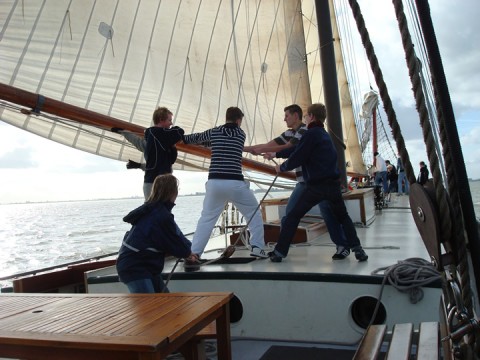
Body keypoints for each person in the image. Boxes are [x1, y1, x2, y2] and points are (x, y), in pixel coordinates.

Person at [246, 104, 350, 260]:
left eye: (287, 115)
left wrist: (272, 155)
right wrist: (245, 148)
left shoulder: (306, 130)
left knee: (328, 213)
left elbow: (291, 148)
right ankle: (281, 249)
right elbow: (271, 144)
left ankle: (343, 246)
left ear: (296, 115)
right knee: (290, 214)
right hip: (304, 182)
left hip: (316, 182)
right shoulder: (289, 132)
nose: (284, 118)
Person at [268, 103, 368, 263]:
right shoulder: (324, 135)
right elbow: (298, 150)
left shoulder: (310, 134)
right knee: (343, 217)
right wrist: (277, 154)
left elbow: (298, 155)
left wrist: (282, 167)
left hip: (316, 187)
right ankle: (358, 250)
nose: (305, 118)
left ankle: (279, 252)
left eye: (307, 116)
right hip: (333, 186)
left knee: (293, 216)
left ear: (312, 117)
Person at [182, 107, 268, 262]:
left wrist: (177, 136)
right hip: (235, 183)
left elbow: (193, 139)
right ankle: (257, 247)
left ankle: (195, 253)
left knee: (207, 219)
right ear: (238, 120)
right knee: (253, 214)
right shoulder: (241, 134)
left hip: (215, 183)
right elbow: (226, 142)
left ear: (226, 117)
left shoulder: (214, 132)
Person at [116, 174, 197, 293]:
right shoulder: (161, 216)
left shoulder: (152, 210)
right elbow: (174, 239)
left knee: (164, 302)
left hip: (143, 265)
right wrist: (188, 252)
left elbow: (175, 235)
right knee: (149, 307)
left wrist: (188, 250)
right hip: (136, 268)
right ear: (172, 192)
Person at [112, 107, 184, 200]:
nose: (171, 123)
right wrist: (123, 132)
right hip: (160, 182)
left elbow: (138, 143)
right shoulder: (157, 133)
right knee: (160, 210)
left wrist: (124, 132)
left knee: (153, 210)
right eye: (169, 120)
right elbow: (179, 132)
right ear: (161, 120)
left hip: (155, 181)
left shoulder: (154, 139)